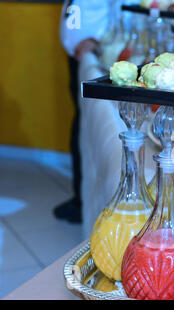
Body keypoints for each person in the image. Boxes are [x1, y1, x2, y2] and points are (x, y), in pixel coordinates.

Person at [56, 0, 109, 223]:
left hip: (93, 51)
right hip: (84, 53)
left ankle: (81, 199)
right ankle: (80, 196)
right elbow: (75, 10)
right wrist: (76, 42)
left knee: (85, 125)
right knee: (83, 124)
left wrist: (79, 40)